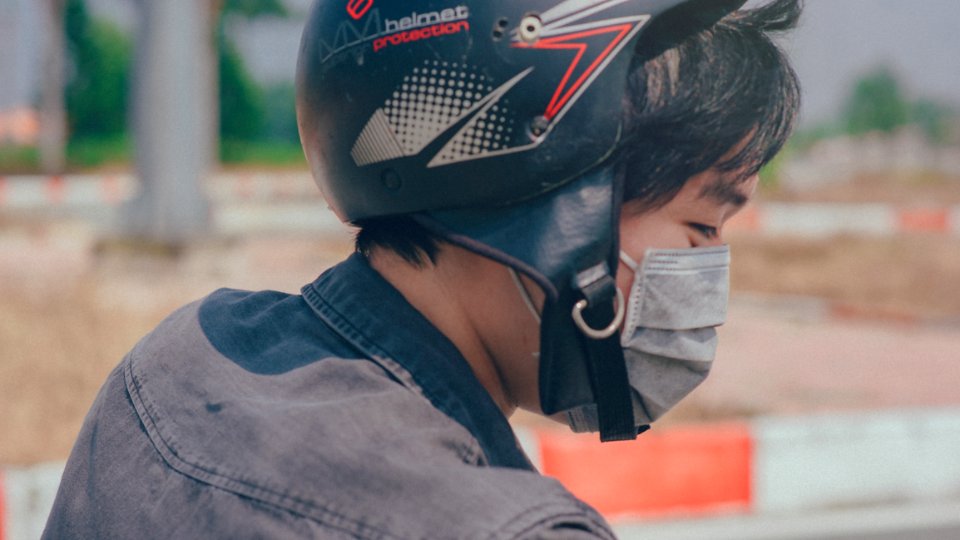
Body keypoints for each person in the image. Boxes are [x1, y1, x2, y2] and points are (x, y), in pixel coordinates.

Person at [44, 0, 800, 537]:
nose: (709, 272)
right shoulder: (507, 529)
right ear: (549, 188)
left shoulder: (170, 367)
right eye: (701, 226)